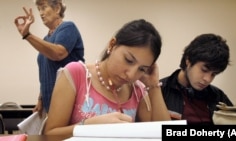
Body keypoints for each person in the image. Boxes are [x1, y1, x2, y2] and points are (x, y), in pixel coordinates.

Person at [43, 19, 171, 136]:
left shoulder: (137, 90)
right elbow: (51, 134)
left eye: (142, 69)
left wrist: (153, 85)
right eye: (128, 60)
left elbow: (165, 134)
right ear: (112, 44)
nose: (131, 75)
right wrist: (87, 126)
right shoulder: (76, 74)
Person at [14, 0, 85, 113]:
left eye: (44, 7)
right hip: (49, 104)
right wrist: (40, 99)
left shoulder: (68, 27)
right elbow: (44, 73)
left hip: (70, 102)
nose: (41, 13)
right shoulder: (45, 40)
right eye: (39, 10)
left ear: (57, 9)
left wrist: (27, 35)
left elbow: (58, 53)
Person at [160, 33, 233, 125]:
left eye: (213, 74)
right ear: (188, 60)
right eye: (204, 70)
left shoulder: (218, 97)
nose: (208, 79)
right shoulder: (159, 91)